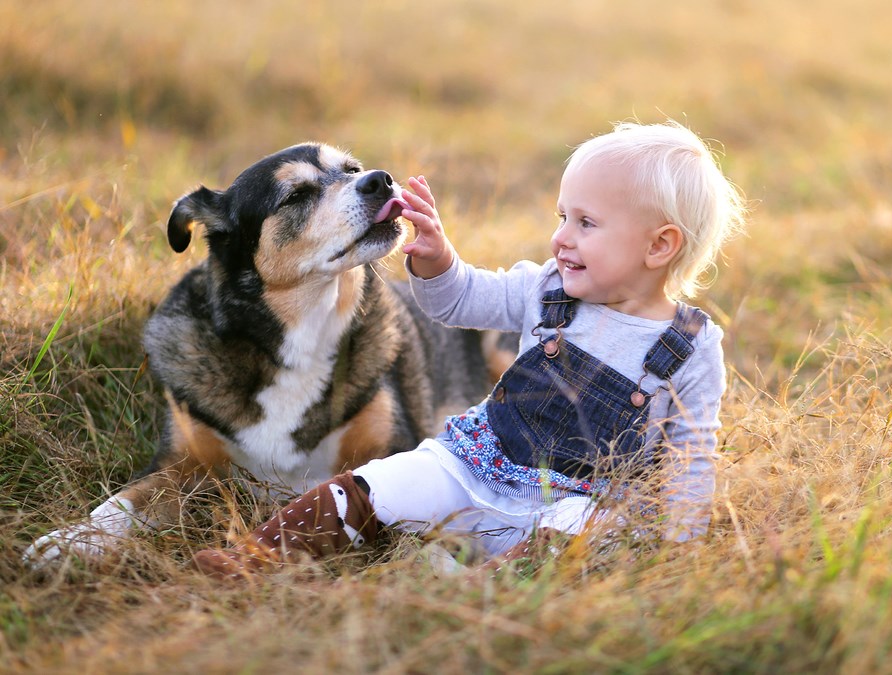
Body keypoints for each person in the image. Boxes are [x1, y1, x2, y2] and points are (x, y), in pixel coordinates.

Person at [192, 120, 747, 579]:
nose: (561, 238)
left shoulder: (689, 349)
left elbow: (690, 454)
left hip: (567, 502)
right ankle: (253, 560)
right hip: (472, 468)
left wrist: (678, 543)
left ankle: (484, 589)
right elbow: (460, 301)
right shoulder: (545, 289)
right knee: (377, 485)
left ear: (659, 245)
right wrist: (437, 259)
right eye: (562, 217)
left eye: (586, 223)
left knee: (590, 530)